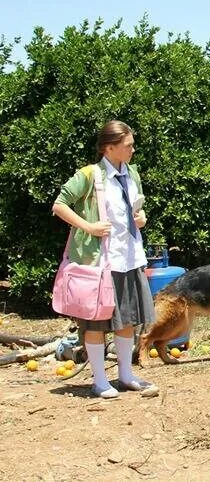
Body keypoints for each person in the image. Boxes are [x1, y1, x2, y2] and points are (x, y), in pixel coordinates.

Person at [52, 120, 157, 398]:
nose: (133, 149)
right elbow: (59, 205)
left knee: (127, 320)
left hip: (129, 257)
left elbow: (134, 209)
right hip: (100, 262)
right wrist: (89, 227)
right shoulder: (89, 175)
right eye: (128, 145)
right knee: (97, 322)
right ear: (109, 148)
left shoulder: (131, 173)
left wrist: (141, 219)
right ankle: (99, 380)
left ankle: (125, 375)